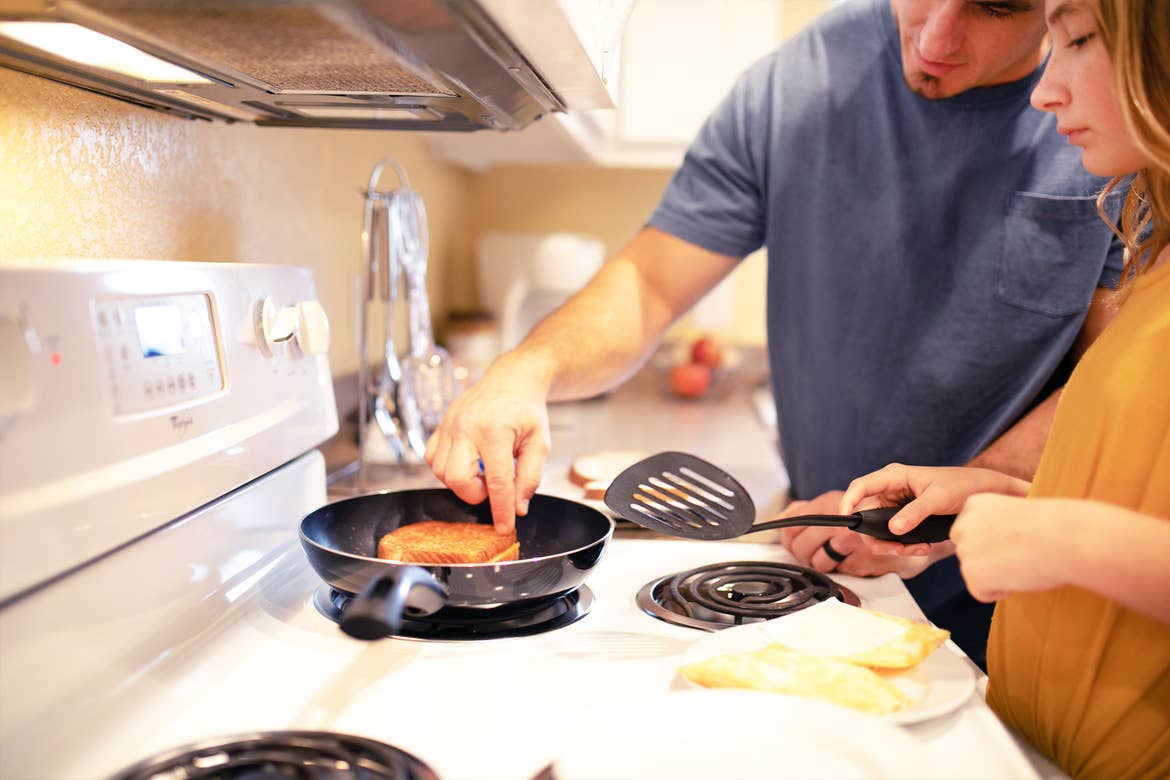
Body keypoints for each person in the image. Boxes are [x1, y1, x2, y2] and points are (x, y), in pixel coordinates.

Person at [425, 0, 1127, 667]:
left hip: (1023, 591)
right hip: (822, 562)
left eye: (995, 7)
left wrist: (942, 509)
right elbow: (651, 284)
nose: (937, 38)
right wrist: (526, 369)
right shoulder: (799, 83)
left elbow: (1116, 381)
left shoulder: (1113, 110)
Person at [840, 0, 1169, 774]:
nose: (1045, 90)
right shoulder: (1156, 268)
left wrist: (1066, 539)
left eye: (1079, 37)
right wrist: (1003, 498)